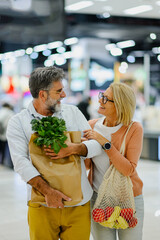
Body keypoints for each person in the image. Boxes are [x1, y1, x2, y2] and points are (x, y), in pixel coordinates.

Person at [6, 66, 102, 240]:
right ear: (43, 94)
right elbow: (20, 163)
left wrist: (73, 148)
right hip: (42, 204)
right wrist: (49, 192)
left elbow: (96, 145)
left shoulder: (72, 113)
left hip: (79, 202)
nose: (64, 95)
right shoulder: (19, 122)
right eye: (59, 91)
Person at [83, 82, 144, 240]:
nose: (100, 101)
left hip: (128, 198)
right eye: (102, 96)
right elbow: (87, 166)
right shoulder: (91, 126)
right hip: (98, 198)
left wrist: (104, 142)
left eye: (106, 99)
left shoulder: (134, 129)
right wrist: (80, 149)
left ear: (120, 105)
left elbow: (128, 169)